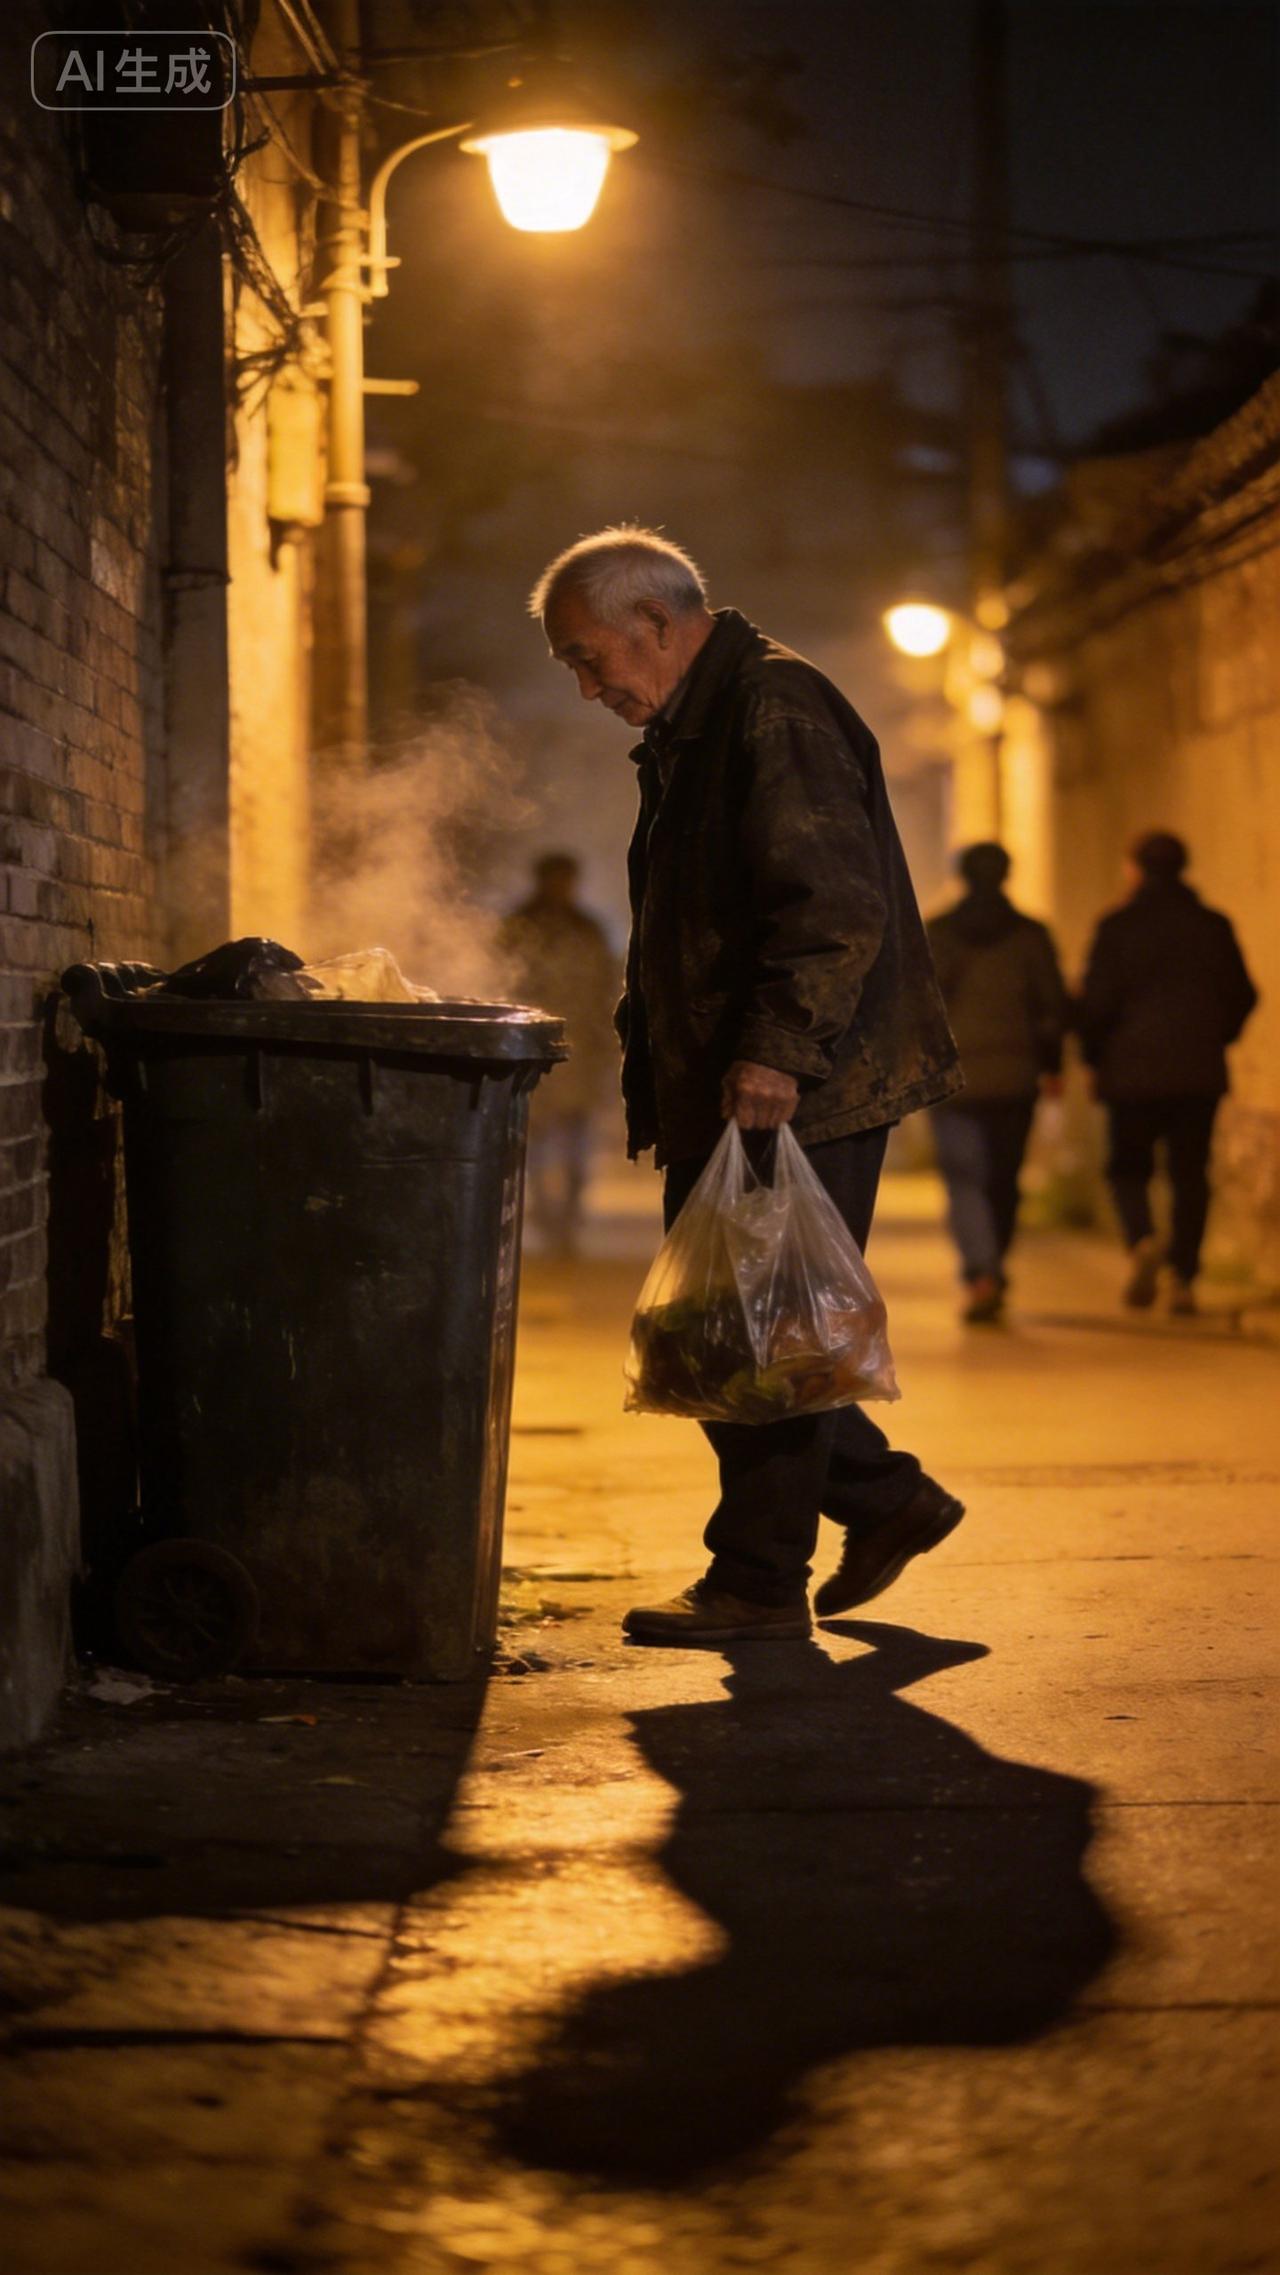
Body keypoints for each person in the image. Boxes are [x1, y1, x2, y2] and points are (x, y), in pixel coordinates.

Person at [529, 524, 964, 1645]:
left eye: (590, 658)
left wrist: (775, 1047)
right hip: (739, 1082)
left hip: (796, 1081)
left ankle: (759, 1583)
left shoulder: (772, 708)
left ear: (658, 625)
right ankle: (881, 1499)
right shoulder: (700, 721)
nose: (587, 688)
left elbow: (828, 901)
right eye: (571, 668)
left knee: (756, 1337)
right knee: (734, 1332)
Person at [1077, 830, 1258, 1316]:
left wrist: (1094, 1058)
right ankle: (1184, 1278)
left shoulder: (1117, 927)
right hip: (1197, 1073)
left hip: (1129, 1072)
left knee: (1128, 1168)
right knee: (1190, 1173)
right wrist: (1216, 1037)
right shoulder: (1212, 926)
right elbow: (1243, 993)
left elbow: (1096, 1004)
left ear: (1135, 868)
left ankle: (1141, 1241)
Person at [926, 842, 1069, 1323]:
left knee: (964, 1180)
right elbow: (1052, 1008)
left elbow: (920, 1004)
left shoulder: (939, 934)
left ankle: (980, 1272)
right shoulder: (1031, 936)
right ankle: (994, 1264)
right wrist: (1052, 1067)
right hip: (1015, 1074)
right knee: (1003, 1180)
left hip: (954, 1078)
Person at [501, 852, 617, 1256]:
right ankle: (545, 1215)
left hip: (581, 1049)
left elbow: (606, 989)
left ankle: (568, 1217)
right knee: (535, 1138)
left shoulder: (589, 931)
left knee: (577, 1140)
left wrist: (609, 1042)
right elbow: (502, 985)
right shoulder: (517, 929)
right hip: (533, 1048)